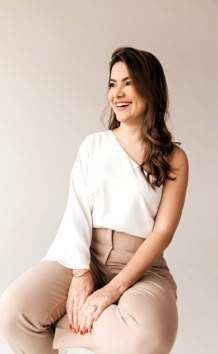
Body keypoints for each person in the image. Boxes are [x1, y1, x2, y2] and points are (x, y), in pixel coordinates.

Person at [0, 46, 189, 354]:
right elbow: (77, 213)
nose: (118, 93)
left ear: (150, 87)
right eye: (112, 84)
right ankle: (85, 320)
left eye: (128, 82)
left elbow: (162, 233)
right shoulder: (93, 146)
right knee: (13, 312)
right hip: (86, 256)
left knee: (148, 338)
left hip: (143, 266)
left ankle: (67, 324)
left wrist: (109, 292)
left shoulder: (174, 158)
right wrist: (80, 273)